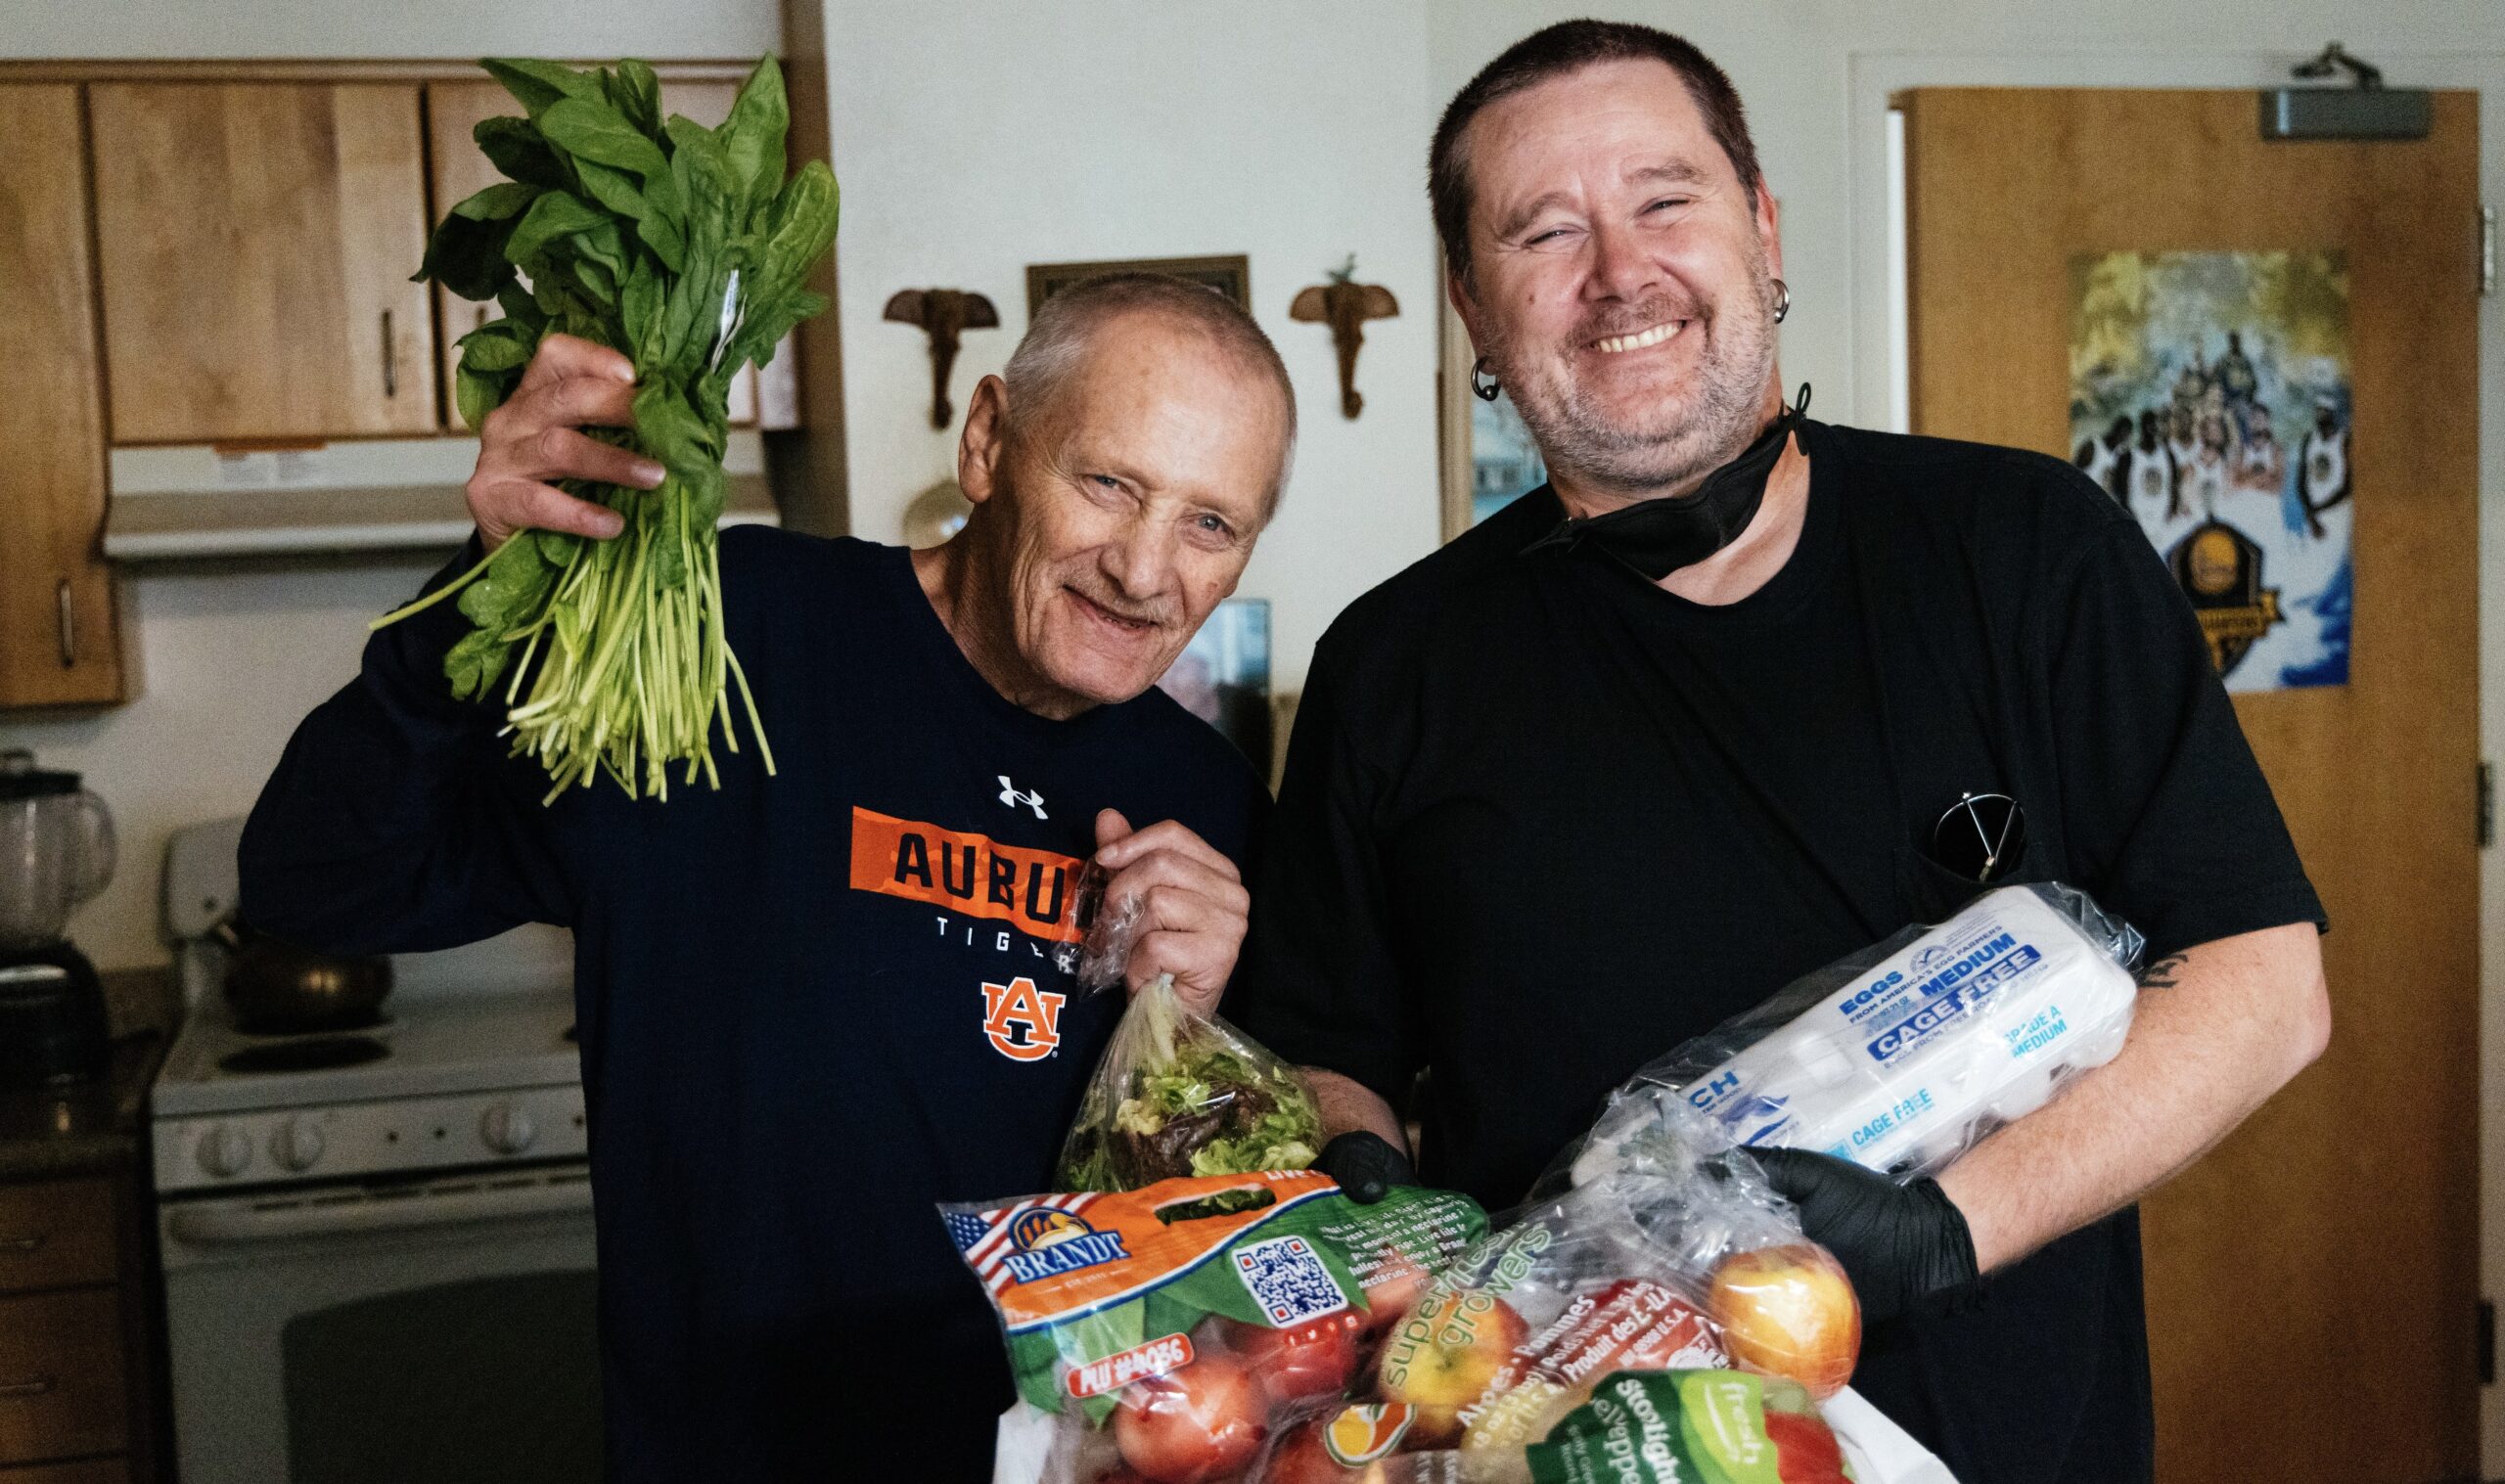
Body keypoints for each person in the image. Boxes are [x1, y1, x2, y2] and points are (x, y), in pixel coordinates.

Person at [1238, 22, 2328, 1484]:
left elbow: (2264, 986)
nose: (1620, 272)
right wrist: (1357, 1169)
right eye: (1544, 232)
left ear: (1763, 228)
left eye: (1665, 200)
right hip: (1569, 1448)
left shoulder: (2025, 549)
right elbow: (1331, 1054)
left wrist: (1945, 1230)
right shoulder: (1392, 665)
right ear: (1472, 307)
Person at [240, 273, 1295, 1481]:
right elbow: (314, 877)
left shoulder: (1211, 805)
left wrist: (1197, 1027)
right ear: (988, 441)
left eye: (1210, 524)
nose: (1145, 570)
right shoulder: (724, 634)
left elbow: (1235, 1270)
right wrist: (486, 589)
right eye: (1108, 483)